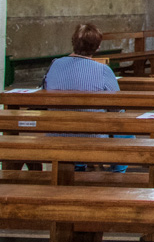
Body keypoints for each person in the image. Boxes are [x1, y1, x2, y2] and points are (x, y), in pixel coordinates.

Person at [44, 23, 124, 171]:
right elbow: (117, 107)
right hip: (92, 135)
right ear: (97, 47)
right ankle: (117, 174)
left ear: (73, 42)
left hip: (57, 133)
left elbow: (44, 92)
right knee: (125, 131)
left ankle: (79, 167)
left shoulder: (55, 65)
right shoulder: (103, 70)